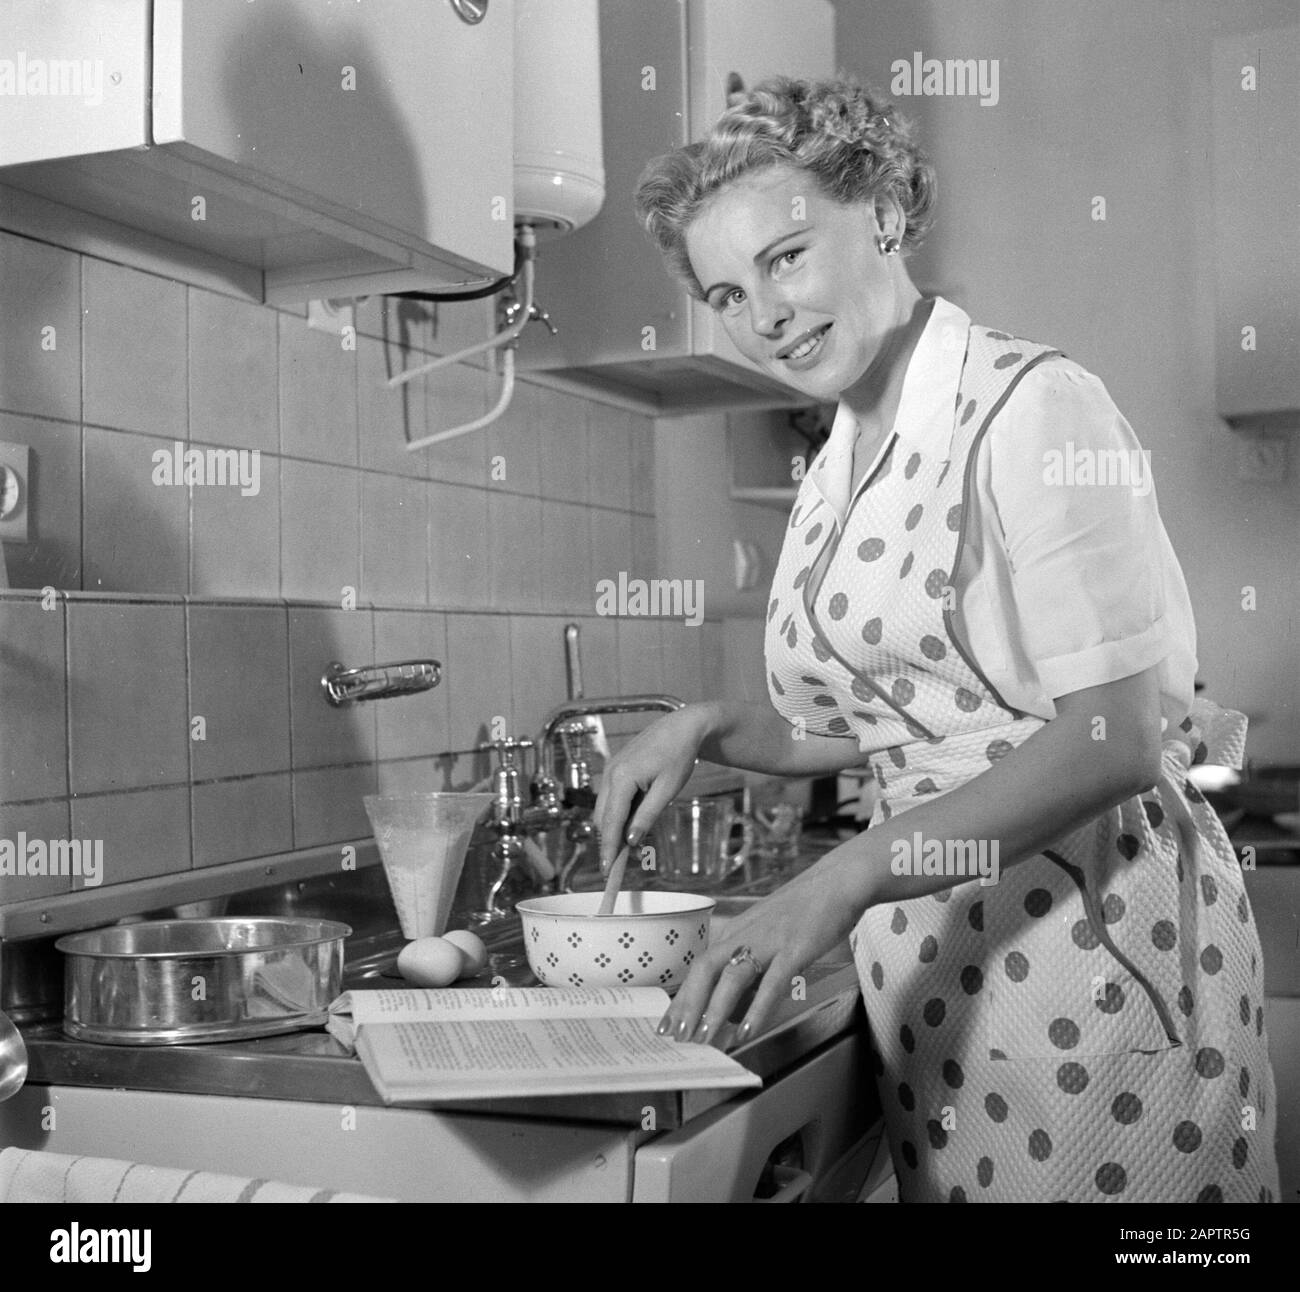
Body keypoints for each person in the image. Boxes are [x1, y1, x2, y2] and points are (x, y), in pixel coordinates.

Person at [593, 76, 1280, 1204]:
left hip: (1097, 954)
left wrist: (846, 875)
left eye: (786, 257)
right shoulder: (838, 457)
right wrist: (709, 726)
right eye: (725, 290)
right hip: (946, 967)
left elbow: (1113, 735)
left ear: (882, 215)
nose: (761, 314)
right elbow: (884, 722)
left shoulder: (1031, 408)